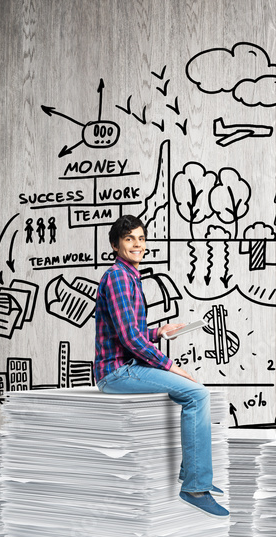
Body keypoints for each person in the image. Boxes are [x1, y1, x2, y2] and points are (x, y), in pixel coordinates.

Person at [93, 214, 228, 518]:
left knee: (195, 394)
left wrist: (159, 332)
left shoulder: (128, 277)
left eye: (140, 238)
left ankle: (194, 473)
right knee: (197, 394)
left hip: (125, 365)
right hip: (116, 371)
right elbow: (128, 338)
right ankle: (195, 486)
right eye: (129, 239)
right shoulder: (118, 277)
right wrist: (170, 365)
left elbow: (128, 329)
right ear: (116, 245)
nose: (137, 244)